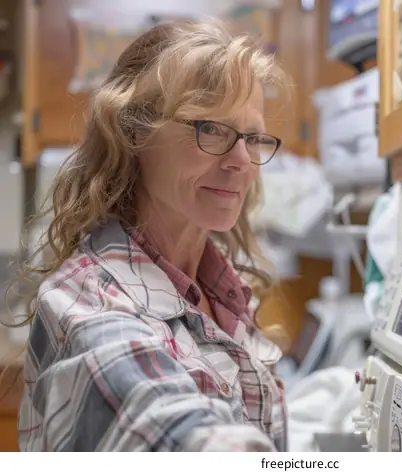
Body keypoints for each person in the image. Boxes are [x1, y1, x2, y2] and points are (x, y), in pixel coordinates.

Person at [14, 19, 288, 452]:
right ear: (132, 134)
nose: (242, 161)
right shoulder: (88, 307)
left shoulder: (225, 288)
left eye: (252, 136)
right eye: (209, 127)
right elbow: (175, 429)